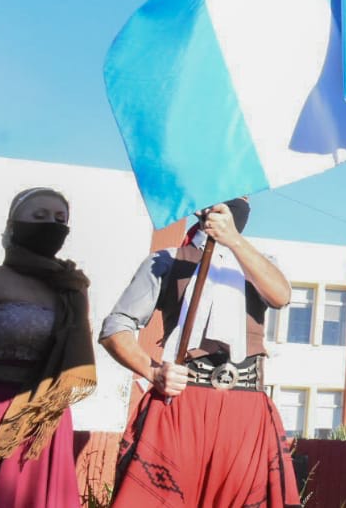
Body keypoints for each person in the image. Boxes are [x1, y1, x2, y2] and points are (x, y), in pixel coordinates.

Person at [99, 197, 299, 507]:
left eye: (245, 195)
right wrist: (152, 371)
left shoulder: (259, 262)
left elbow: (281, 296)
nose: (240, 200)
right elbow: (115, 326)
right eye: (231, 192)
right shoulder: (166, 260)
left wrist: (233, 240)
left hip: (245, 410)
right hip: (181, 402)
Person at [0, 187, 96, 507]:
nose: (51, 225)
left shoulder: (72, 289)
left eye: (60, 219)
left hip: (43, 421)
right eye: (39, 216)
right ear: (13, 224)